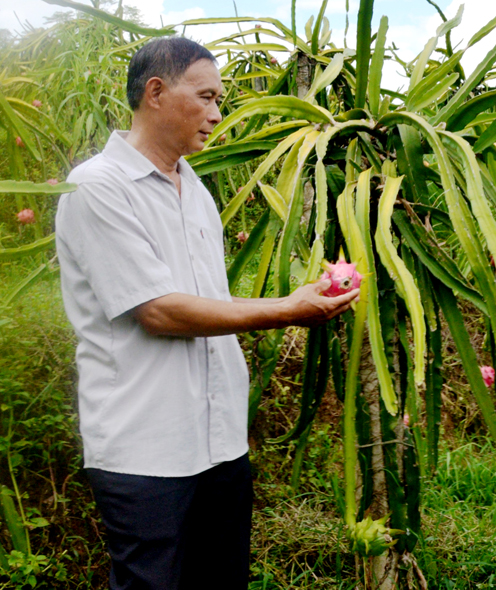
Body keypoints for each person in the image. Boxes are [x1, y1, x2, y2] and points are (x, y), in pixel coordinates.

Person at [55, 37, 358, 590]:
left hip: (218, 444)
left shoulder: (193, 187)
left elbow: (208, 300)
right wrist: (287, 310)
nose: (218, 114)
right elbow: (159, 312)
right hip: (144, 450)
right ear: (155, 93)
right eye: (207, 97)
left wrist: (295, 299)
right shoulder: (97, 188)